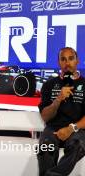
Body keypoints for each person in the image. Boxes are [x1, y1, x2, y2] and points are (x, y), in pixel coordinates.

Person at [38, 47, 85, 176]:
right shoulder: (49, 84)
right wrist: (58, 99)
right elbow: (45, 117)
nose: (67, 63)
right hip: (53, 128)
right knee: (46, 146)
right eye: (63, 59)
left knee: (78, 145)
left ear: (77, 61)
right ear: (59, 63)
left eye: (71, 58)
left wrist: (71, 128)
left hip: (77, 129)